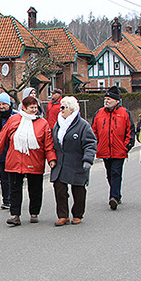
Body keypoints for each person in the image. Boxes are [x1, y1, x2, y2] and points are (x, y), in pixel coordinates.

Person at [0, 96, 56, 226]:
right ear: (24, 108)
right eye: (31, 108)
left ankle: (34, 213)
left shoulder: (42, 123)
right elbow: (2, 139)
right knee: (15, 190)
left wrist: (51, 159)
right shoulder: (14, 120)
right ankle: (15, 215)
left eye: (36, 108)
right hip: (15, 161)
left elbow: (48, 144)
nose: (34, 110)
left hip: (34, 160)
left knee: (35, 189)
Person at [50, 97, 96, 226]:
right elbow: (52, 143)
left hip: (77, 162)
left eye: (63, 107)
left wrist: (88, 160)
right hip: (61, 163)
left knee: (78, 190)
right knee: (59, 188)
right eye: (60, 107)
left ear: (71, 109)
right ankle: (63, 215)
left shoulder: (83, 125)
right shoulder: (57, 124)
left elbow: (90, 144)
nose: (61, 110)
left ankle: (77, 214)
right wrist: (51, 158)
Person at [91, 86, 135, 211]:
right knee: (109, 173)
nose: (107, 101)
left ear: (117, 101)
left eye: (109, 99)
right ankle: (117, 193)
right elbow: (93, 130)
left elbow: (130, 131)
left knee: (116, 173)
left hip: (119, 150)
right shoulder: (99, 113)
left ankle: (113, 197)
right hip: (104, 149)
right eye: (105, 98)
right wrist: (96, 144)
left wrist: (126, 146)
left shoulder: (124, 113)